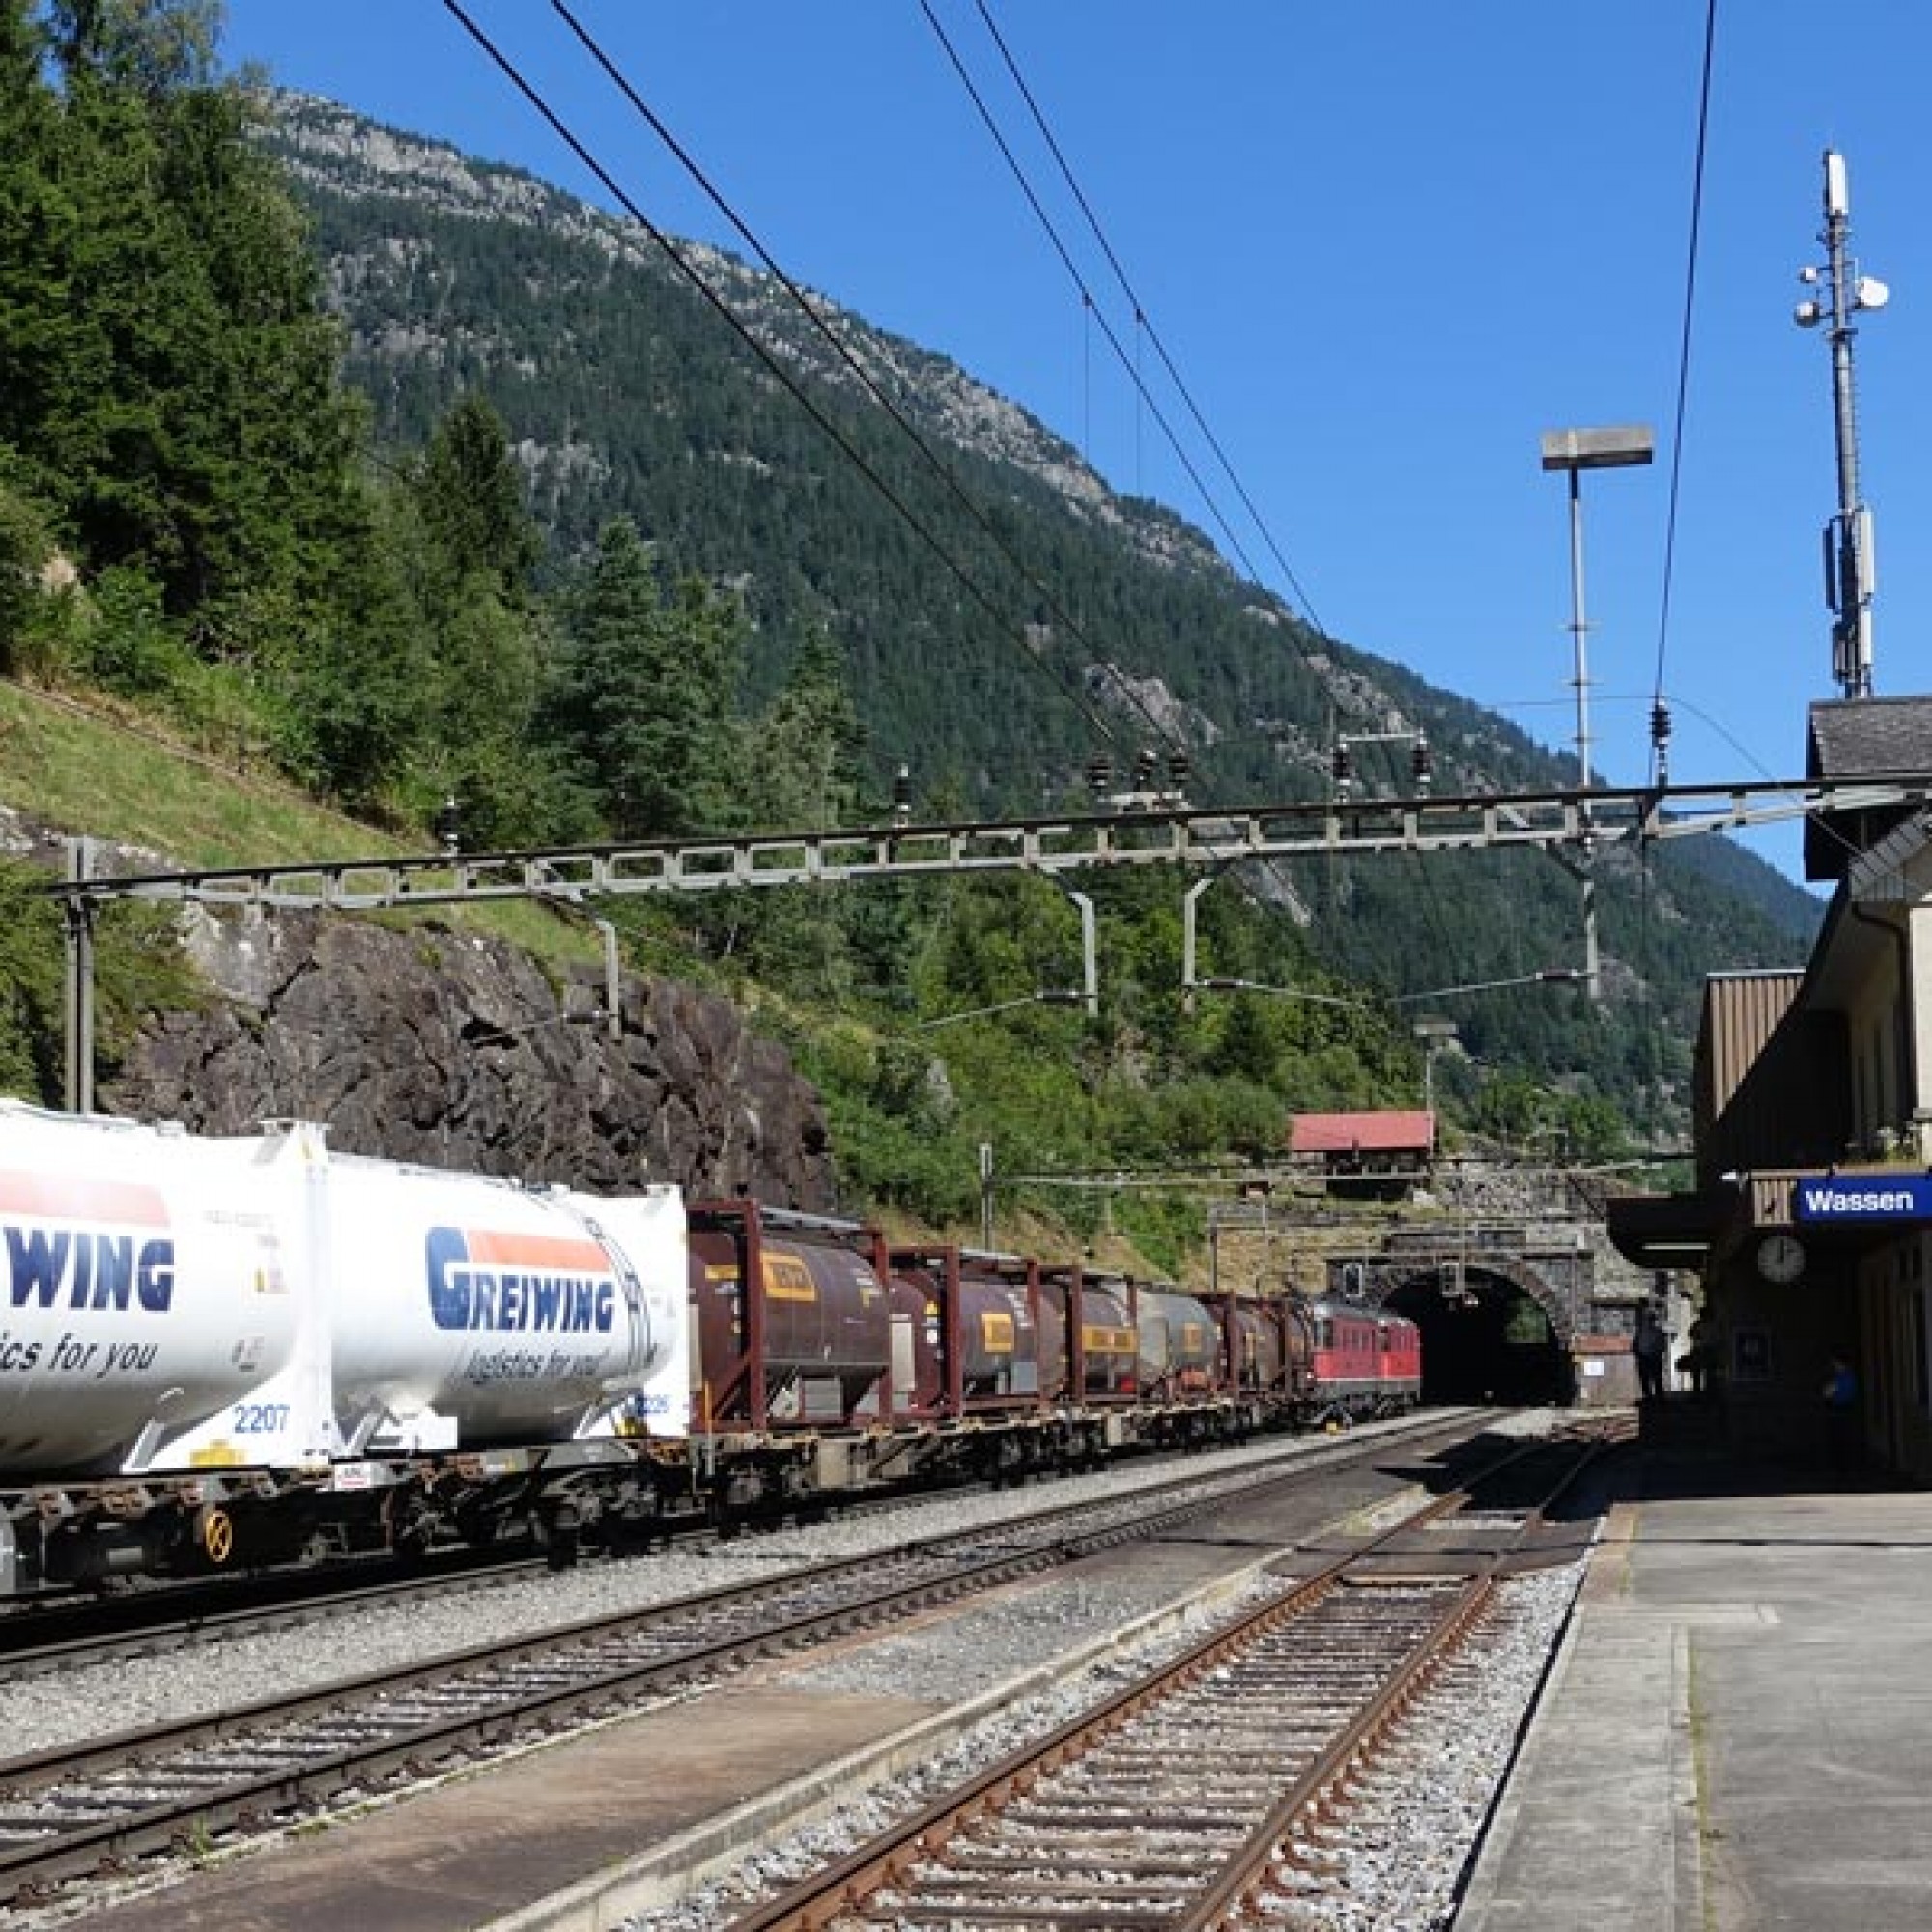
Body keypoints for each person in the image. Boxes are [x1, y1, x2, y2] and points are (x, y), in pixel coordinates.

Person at [1823, 1354, 1859, 1480]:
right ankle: (1848, 1467)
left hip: (1838, 1410)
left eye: (1835, 1364)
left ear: (1839, 1364)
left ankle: (1840, 1469)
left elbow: (1827, 1393)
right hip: (1849, 1409)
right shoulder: (1851, 1377)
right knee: (1847, 1439)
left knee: (1837, 1439)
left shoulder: (1838, 1378)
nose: (1834, 1366)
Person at [1632, 1307, 1667, 1402]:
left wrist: (1656, 1352)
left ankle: (1658, 1397)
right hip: (1644, 1357)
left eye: (1650, 1319)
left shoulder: (1658, 1332)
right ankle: (1648, 1397)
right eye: (1647, 1319)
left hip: (1654, 1357)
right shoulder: (1640, 1332)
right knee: (1645, 1379)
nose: (1648, 1321)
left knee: (1656, 1378)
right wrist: (1637, 1353)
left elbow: (1662, 1346)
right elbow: (1634, 1345)